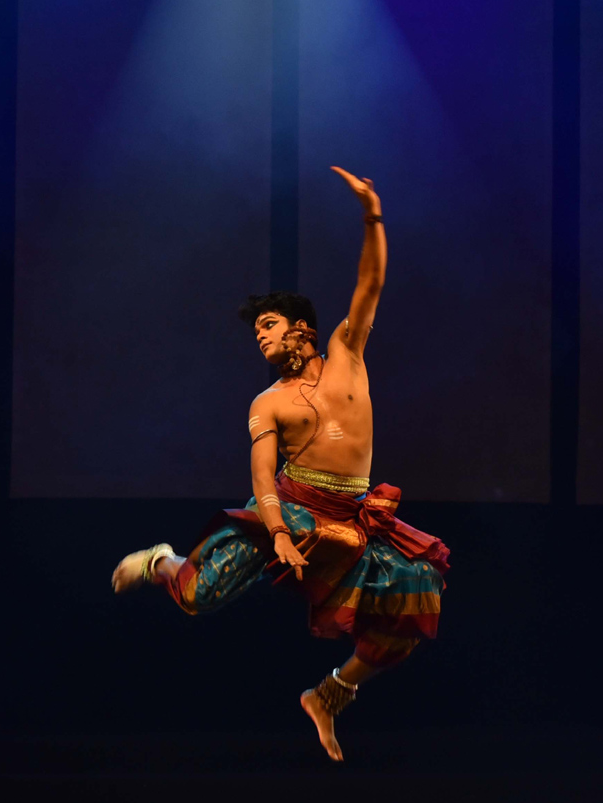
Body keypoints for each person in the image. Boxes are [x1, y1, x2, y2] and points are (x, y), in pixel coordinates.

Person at [112, 167, 449, 761]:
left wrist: (372, 212)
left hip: (350, 512)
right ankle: (161, 561)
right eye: (257, 332)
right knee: (198, 596)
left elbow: (371, 280)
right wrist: (276, 532)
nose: (261, 339)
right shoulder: (267, 402)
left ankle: (330, 694)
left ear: (304, 329)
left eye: (269, 326)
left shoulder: (348, 352)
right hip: (288, 509)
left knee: (414, 596)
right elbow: (263, 478)